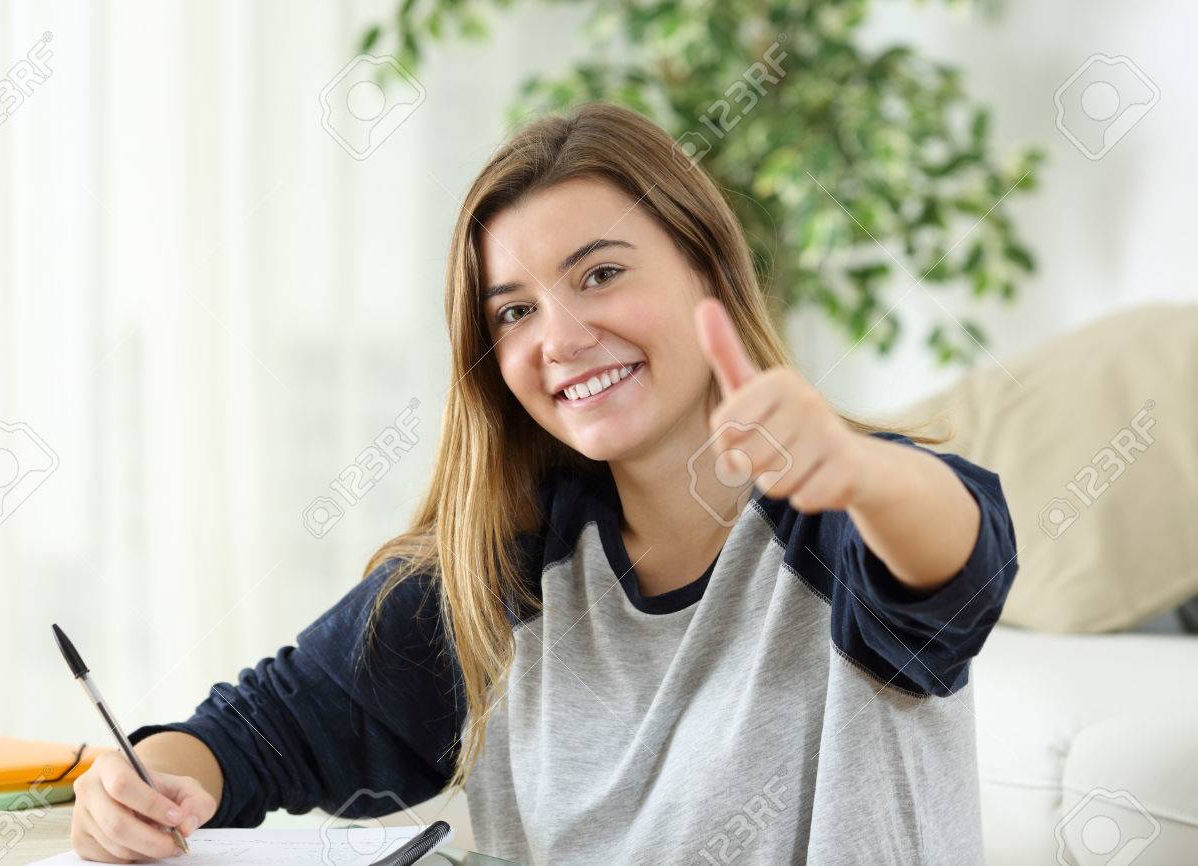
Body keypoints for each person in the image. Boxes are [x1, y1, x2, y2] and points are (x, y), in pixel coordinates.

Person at [69, 102, 1018, 865]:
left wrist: (857, 474)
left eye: (600, 274)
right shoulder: (502, 572)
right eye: (514, 310)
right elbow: (262, 729)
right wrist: (142, 788)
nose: (558, 339)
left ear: (709, 277)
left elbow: (956, 554)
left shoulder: (842, 524)